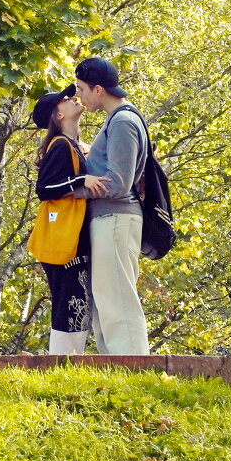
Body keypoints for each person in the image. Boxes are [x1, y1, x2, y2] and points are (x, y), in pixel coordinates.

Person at [74, 57, 151, 355]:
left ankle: (134, 368)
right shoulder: (116, 120)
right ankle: (114, 368)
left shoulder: (122, 121)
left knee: (118, 298)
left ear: (97, 89)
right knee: (106, 298)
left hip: (117, 217)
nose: (79, 96)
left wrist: (75, 190)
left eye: (81, 89)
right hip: (108, 219)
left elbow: (118, 182)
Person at [31, 84, 109, 354]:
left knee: (77, 302)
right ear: (58, 115)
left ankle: (66, 360)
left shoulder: (72, 145)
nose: (73, 98)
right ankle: (62, 361)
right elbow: (44, 189)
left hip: (70, 239)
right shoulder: (62, 146)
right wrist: (81, 179)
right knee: (71, 302)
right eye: (65, 99)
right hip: (65, 240)